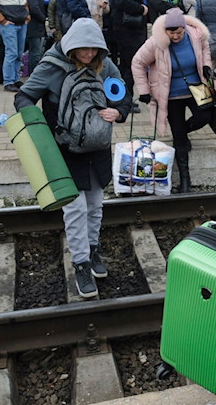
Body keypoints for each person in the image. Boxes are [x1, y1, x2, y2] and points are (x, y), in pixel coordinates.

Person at [15, 18, 131, 297]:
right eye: (84, 49)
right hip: (64, 151)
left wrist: (119, 112)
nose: (89, 54)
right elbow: (23, 97)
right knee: (75, 208)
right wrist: (38, 132)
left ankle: (93, 252)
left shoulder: (105, 65)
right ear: (71, 46)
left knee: (95, 205)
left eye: (94, 49)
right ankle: (80, 263)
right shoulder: (51, 67)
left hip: (97, 148)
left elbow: (123, 95)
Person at [131, 8, 212, 193]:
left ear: (184, 28)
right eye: (171, 32)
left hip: (195, 90)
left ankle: (182, 133)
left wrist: (206, 65)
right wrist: (143, 90)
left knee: (205, 116)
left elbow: (205, 48)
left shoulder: (194, 36)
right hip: (170, 95)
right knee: (179, 138)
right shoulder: (156, 43)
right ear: (166, 30)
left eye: (179, 32)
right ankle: (185, 180)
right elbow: (137, 62)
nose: (175, 36)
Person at [111, 0, 148, 103]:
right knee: (132, 65)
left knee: (128, 65)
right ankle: (125, 99)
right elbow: (122, 1)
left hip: (128, 30)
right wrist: (140, 8)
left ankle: (122, 98)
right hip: (128, 31)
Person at [24, 0, 47, 74]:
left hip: (34, 26)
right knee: (35, 52)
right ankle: (34, 74)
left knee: (35, 52)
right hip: (34, 27)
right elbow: (34, 8)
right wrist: (44, 19)